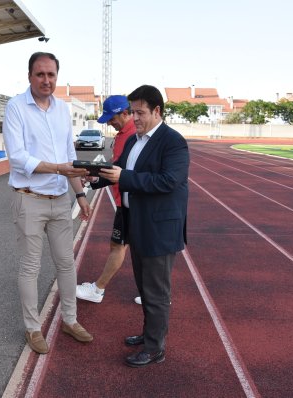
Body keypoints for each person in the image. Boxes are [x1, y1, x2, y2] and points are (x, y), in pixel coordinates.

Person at [90, 85, 189, 368]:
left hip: (159, 229)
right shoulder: (135, 140)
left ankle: (156, 348)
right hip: (137, 223)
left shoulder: (173, 142)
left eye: (140, 112)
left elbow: (168, 181)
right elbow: (118, 169)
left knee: (157, 292)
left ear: (157, 111)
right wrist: (95, 178)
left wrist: (126, 176)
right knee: (145, 288)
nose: (136, 117)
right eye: (133, 112)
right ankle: (149, 335)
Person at [3, 52, 93, 355]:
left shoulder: (62, 109)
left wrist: (80, 195)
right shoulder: (15, 107)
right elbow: (16, 157)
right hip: (29, 200)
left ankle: (70, 319)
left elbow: (68, 155)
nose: (46, 80)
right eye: (40, 74)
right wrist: (58, 169)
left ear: (57, 76)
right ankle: (32, 327)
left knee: (66, 263)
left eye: (51, 75)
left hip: (60, 200)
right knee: (31, 267)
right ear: (29, 76)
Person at [75, 95, 139, 304]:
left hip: (130, 202)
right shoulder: (124, 134)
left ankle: (98, 290)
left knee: (118, 246)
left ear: (125, 113)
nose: (110, 123)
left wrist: (96, 179)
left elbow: (123, 170)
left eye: (112, 118)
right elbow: (115, 164)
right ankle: (154, 294)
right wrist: (95, 177)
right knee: (135, 247)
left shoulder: (134, 135)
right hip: (127, 200)